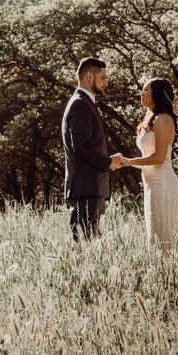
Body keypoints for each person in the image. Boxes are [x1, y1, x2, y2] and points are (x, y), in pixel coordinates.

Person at [115, 78, 178, 253]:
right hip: (152, 183)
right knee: (155, 234)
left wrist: (129, 162)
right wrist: (127, 162)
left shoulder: (163, 119)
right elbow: (149, 157)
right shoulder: (153, 119)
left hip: (163, 183)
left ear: (157, 94)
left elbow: (159, 157)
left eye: (146, 90)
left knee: (163, 237)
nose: (141, 93)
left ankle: (171, 274)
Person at [61, 57, 123, 241]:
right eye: (103, 78)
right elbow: (81, 147)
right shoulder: (80, 104)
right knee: (85, 246)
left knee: (91, 245)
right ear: (89, 76)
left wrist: (108, 159)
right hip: (85, 187)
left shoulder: (84, 103)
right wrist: (108, 162)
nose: (106, 82)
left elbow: (86, 145)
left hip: (90, 187)